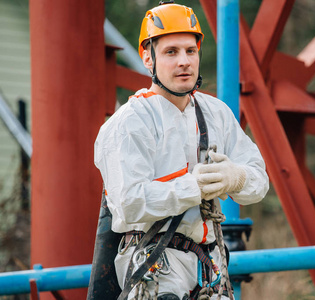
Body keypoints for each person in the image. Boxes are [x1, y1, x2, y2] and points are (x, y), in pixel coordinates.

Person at [94, 2, 269, 299]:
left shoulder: (216, 114)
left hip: (209, 266)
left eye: (191, 50)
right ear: (148, 57)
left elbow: (259, 182)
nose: (184, 61)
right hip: (155, 264)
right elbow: (129, 203)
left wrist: (236, 178)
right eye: (171, 52)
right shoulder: (129, 123)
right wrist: (194, 187)